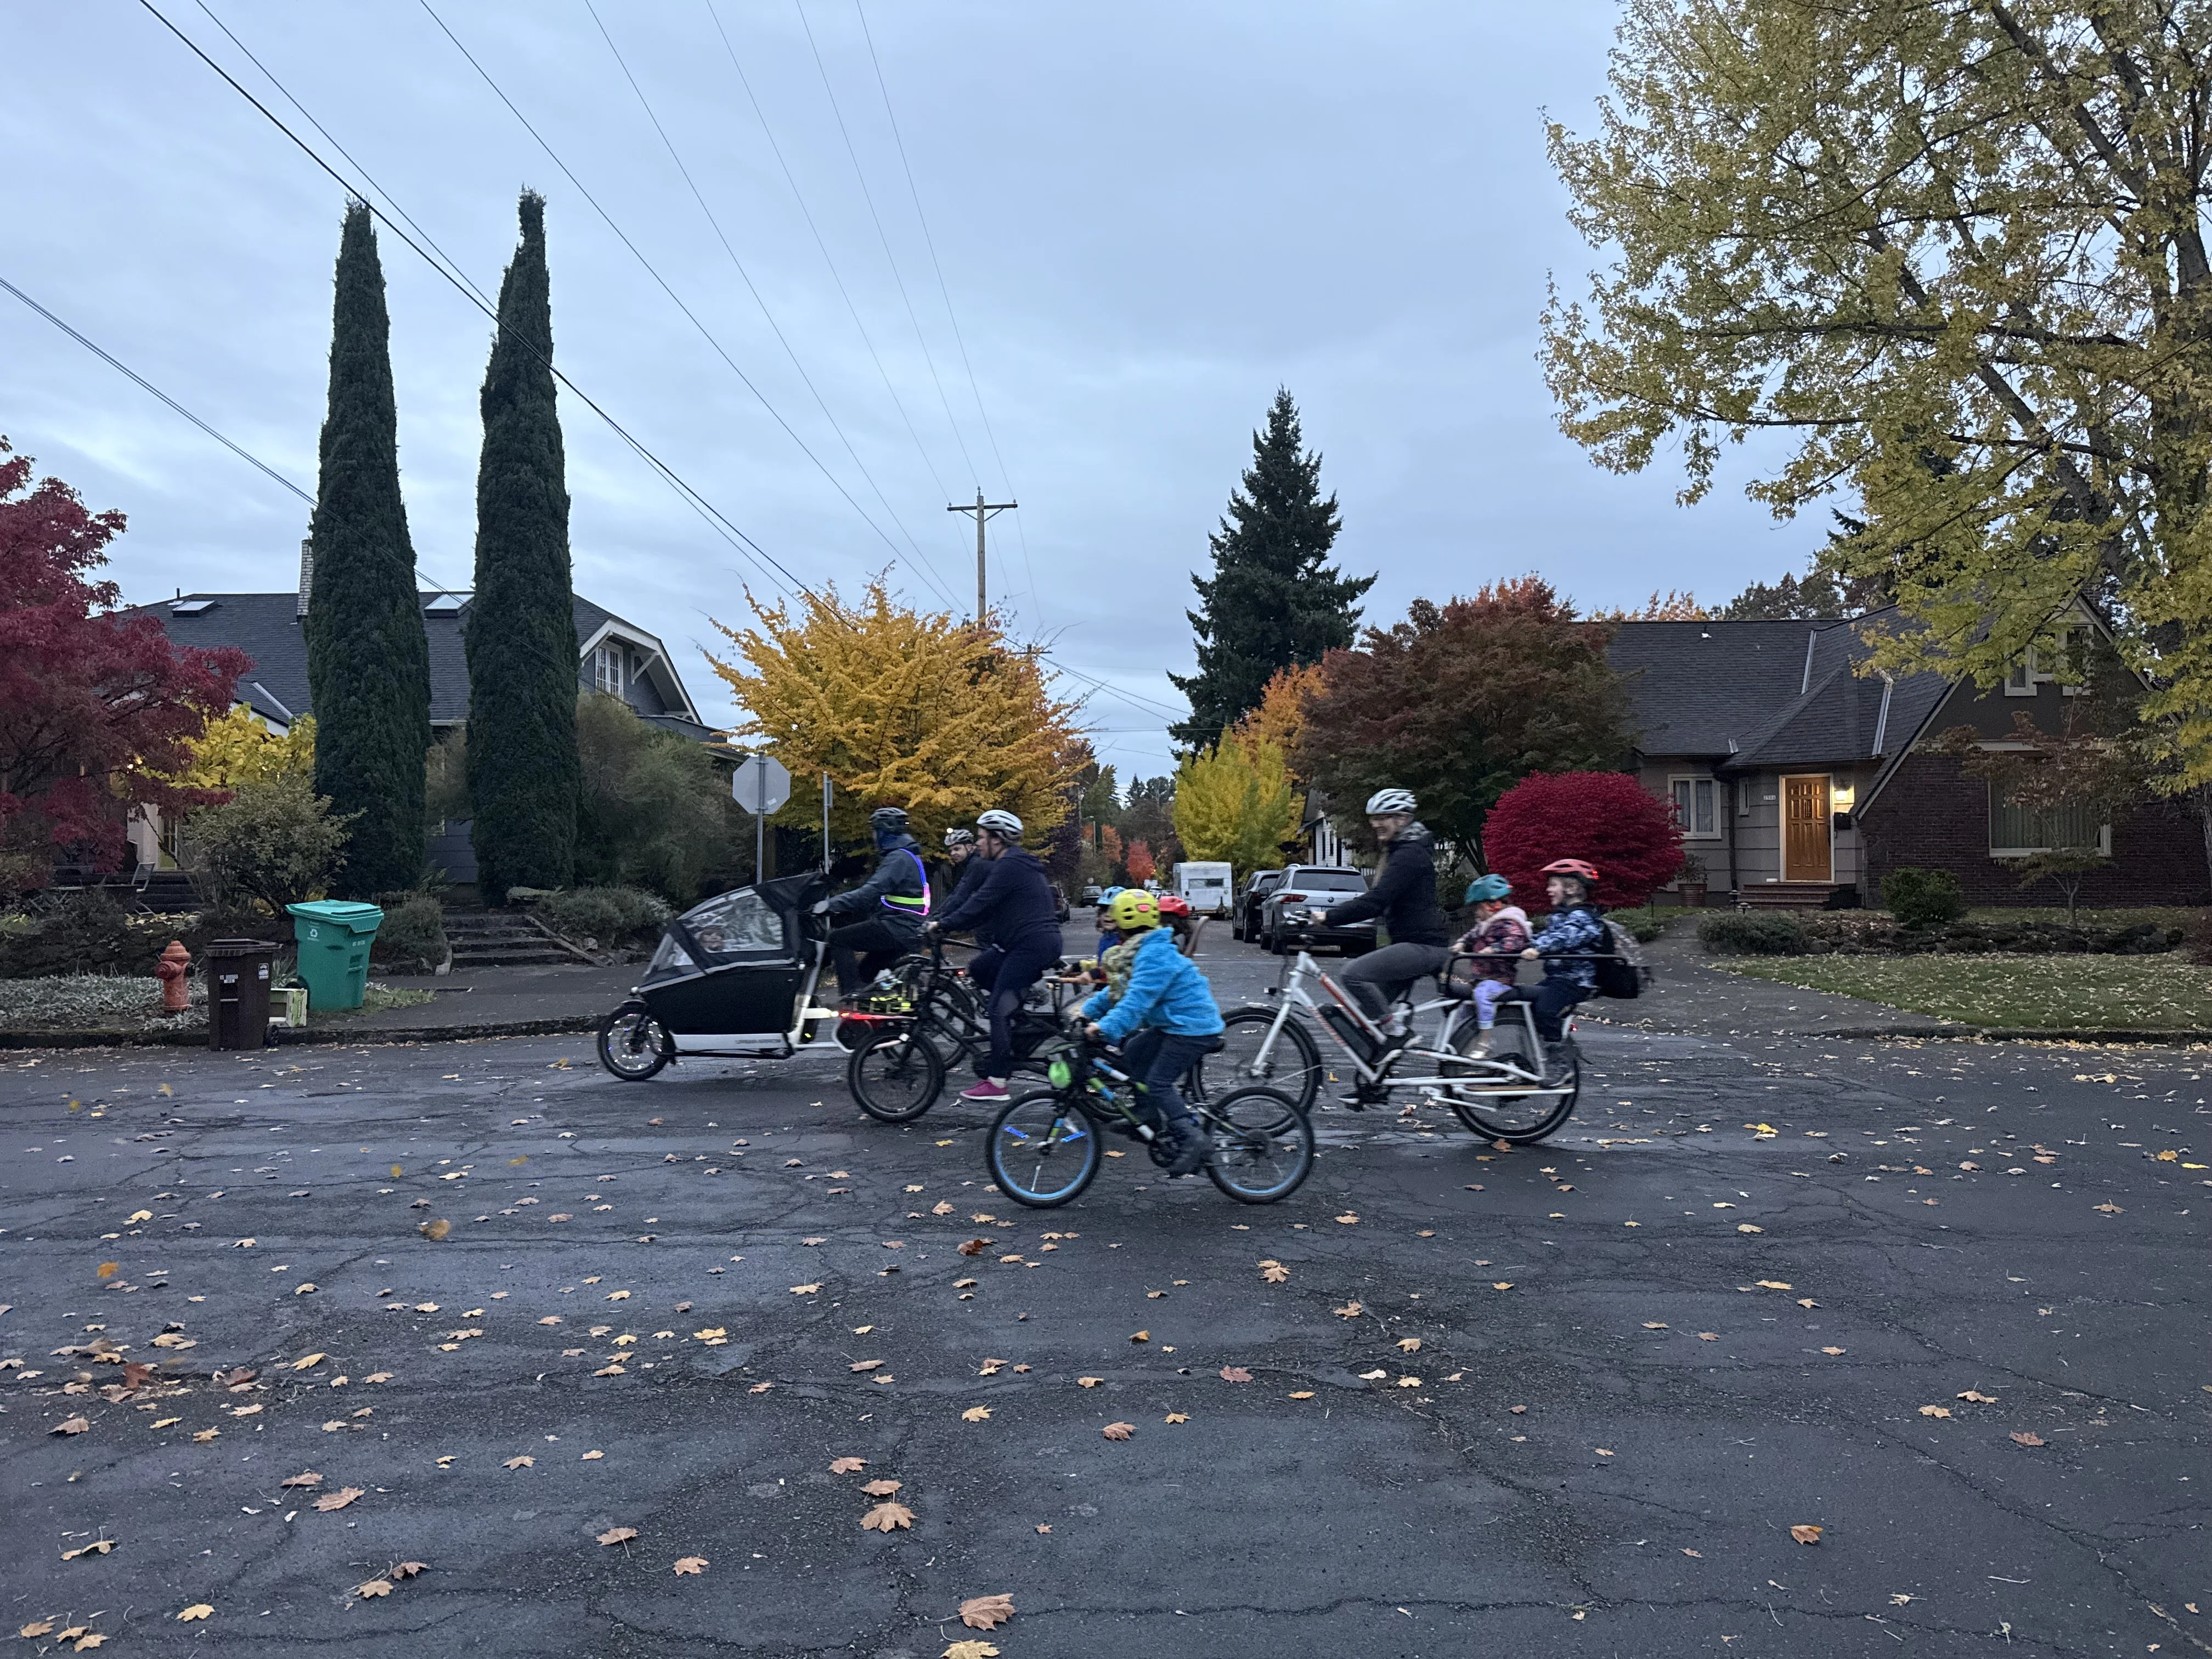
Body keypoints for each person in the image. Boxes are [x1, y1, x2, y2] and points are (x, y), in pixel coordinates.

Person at [1079, 887, 1222, 1177]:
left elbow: (1136, 1002)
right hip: (1174, 1024)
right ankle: (1147, 1114)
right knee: (1133, 1052)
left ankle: (1193, 1138)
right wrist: (1086, 1012)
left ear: (1123, 925)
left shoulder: (1154, 954)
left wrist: (1104, 1027)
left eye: (1114, 922)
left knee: (1158, 1082)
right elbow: (1117, 992)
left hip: (1192, 1027)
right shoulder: (1140, 950)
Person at [926, 808, 1064, 1101]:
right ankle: (1022, 1022)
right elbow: (983, 908)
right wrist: (949, 923)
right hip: (1021, 943)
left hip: (1031, 945)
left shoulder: (1010, 865)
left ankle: (998, 1080)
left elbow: (979, 902)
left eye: (982, 838)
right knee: (979, 968)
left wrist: (943, 924)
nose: (978, 844)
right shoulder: (1012, 863)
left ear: (997, 840)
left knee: (997, 1007)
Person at [1314, 788, 1452, 1039]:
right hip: (1411, 943)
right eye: (1373, 818)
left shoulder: (1410, 855)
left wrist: (1330, 917)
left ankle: (1397, 1032)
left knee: (1353, 975)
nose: (1376, 824)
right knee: (1367, 1021)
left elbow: (1377, 901)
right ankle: (1380, 1067)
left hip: (1422, 946)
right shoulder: (1400, 851)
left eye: (1383, 818)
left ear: (1403, 819)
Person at [818, 806, 930, 992]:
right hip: (907, 927)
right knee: (866, 976)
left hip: (898, 927)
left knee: (838, 939)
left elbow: (870, 892)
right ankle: (877, 1015)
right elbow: (879, 897)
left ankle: (850, 992)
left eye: (874, 832)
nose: (873, 837)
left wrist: (830, 904)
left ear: (884, 832)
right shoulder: (906, 855)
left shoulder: (898, 859)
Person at [1518, 858, 1607, 1067]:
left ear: (1572, 887)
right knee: (1524, 1006)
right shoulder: (1562, 916)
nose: (1548, 890)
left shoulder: (1584, 918)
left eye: (1553, 885)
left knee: (1545, 1010)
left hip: (1577, 981)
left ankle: (1561, 1062)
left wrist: (1538, 949)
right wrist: (1517, 945)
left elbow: (1565, 937)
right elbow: (1544, 937)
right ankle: (1540, 1053)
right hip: (1558, 979)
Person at [1451, 874, 1531, 1056]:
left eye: (1477, 909)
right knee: (1465, 1007)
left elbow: (1516, 942)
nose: (1476, 914)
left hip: (1500, 980)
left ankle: (1485, 1042)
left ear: (1490, 906)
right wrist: (1461, 944)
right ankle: (1464, 1041)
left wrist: (1494, 949)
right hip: (1482, 977)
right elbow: (1472, 935)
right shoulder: (1485, 924)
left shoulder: (1510, 923)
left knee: (1482, 995)